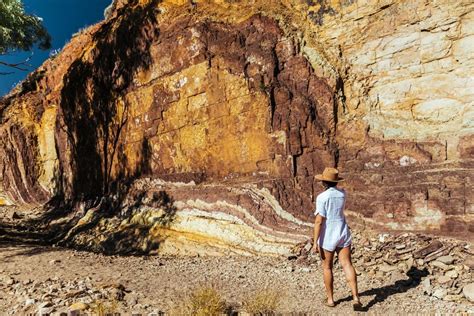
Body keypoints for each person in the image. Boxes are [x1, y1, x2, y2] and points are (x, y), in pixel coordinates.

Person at [311, 167, 362, 310]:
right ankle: (356, 297)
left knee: (327, 267)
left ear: (324, 182)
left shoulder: (322, 197)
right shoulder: (342, 194)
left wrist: (315, 242)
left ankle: (331, 299)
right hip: (342, 231)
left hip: (328, 234)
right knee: (347, 264)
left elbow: (319, 221)